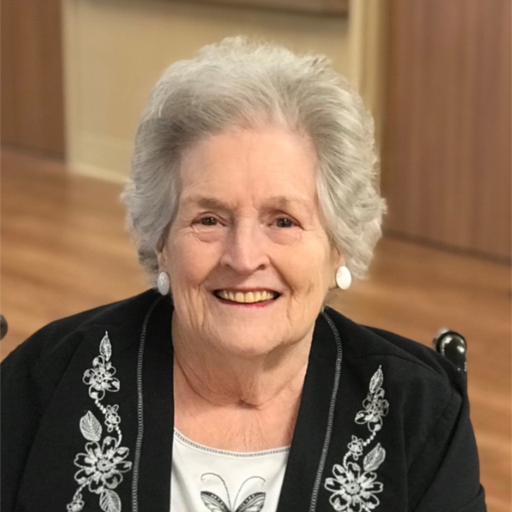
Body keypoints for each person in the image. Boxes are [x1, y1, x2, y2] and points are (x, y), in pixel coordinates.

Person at [0, 37, 486, 512]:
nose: (244, 256)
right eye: (209, 219)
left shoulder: (417, 412)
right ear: (161, 240)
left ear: (339, 245)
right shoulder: (46, 381)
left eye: (283, 221)